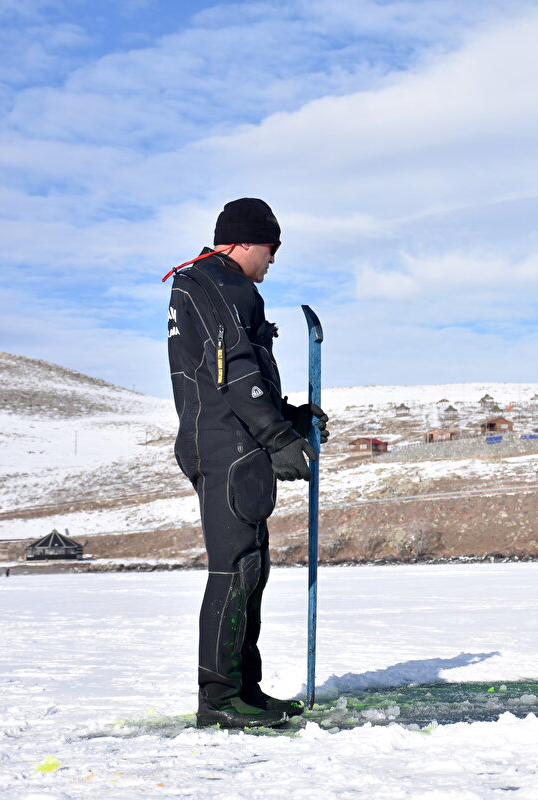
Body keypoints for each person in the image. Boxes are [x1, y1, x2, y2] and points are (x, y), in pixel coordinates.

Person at [167, 198, 329, 728]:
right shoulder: (218, 284)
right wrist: (277, 435)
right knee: (234, 569)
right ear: (241, 240)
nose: (274, 259)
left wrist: (288, 416)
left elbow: (239, 370)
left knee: (250, 569)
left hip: (231, 439)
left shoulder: (213, 285)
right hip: (227, 446)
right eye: (270, 246)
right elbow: (234, 368)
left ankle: (245, 689)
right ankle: (219, 698)